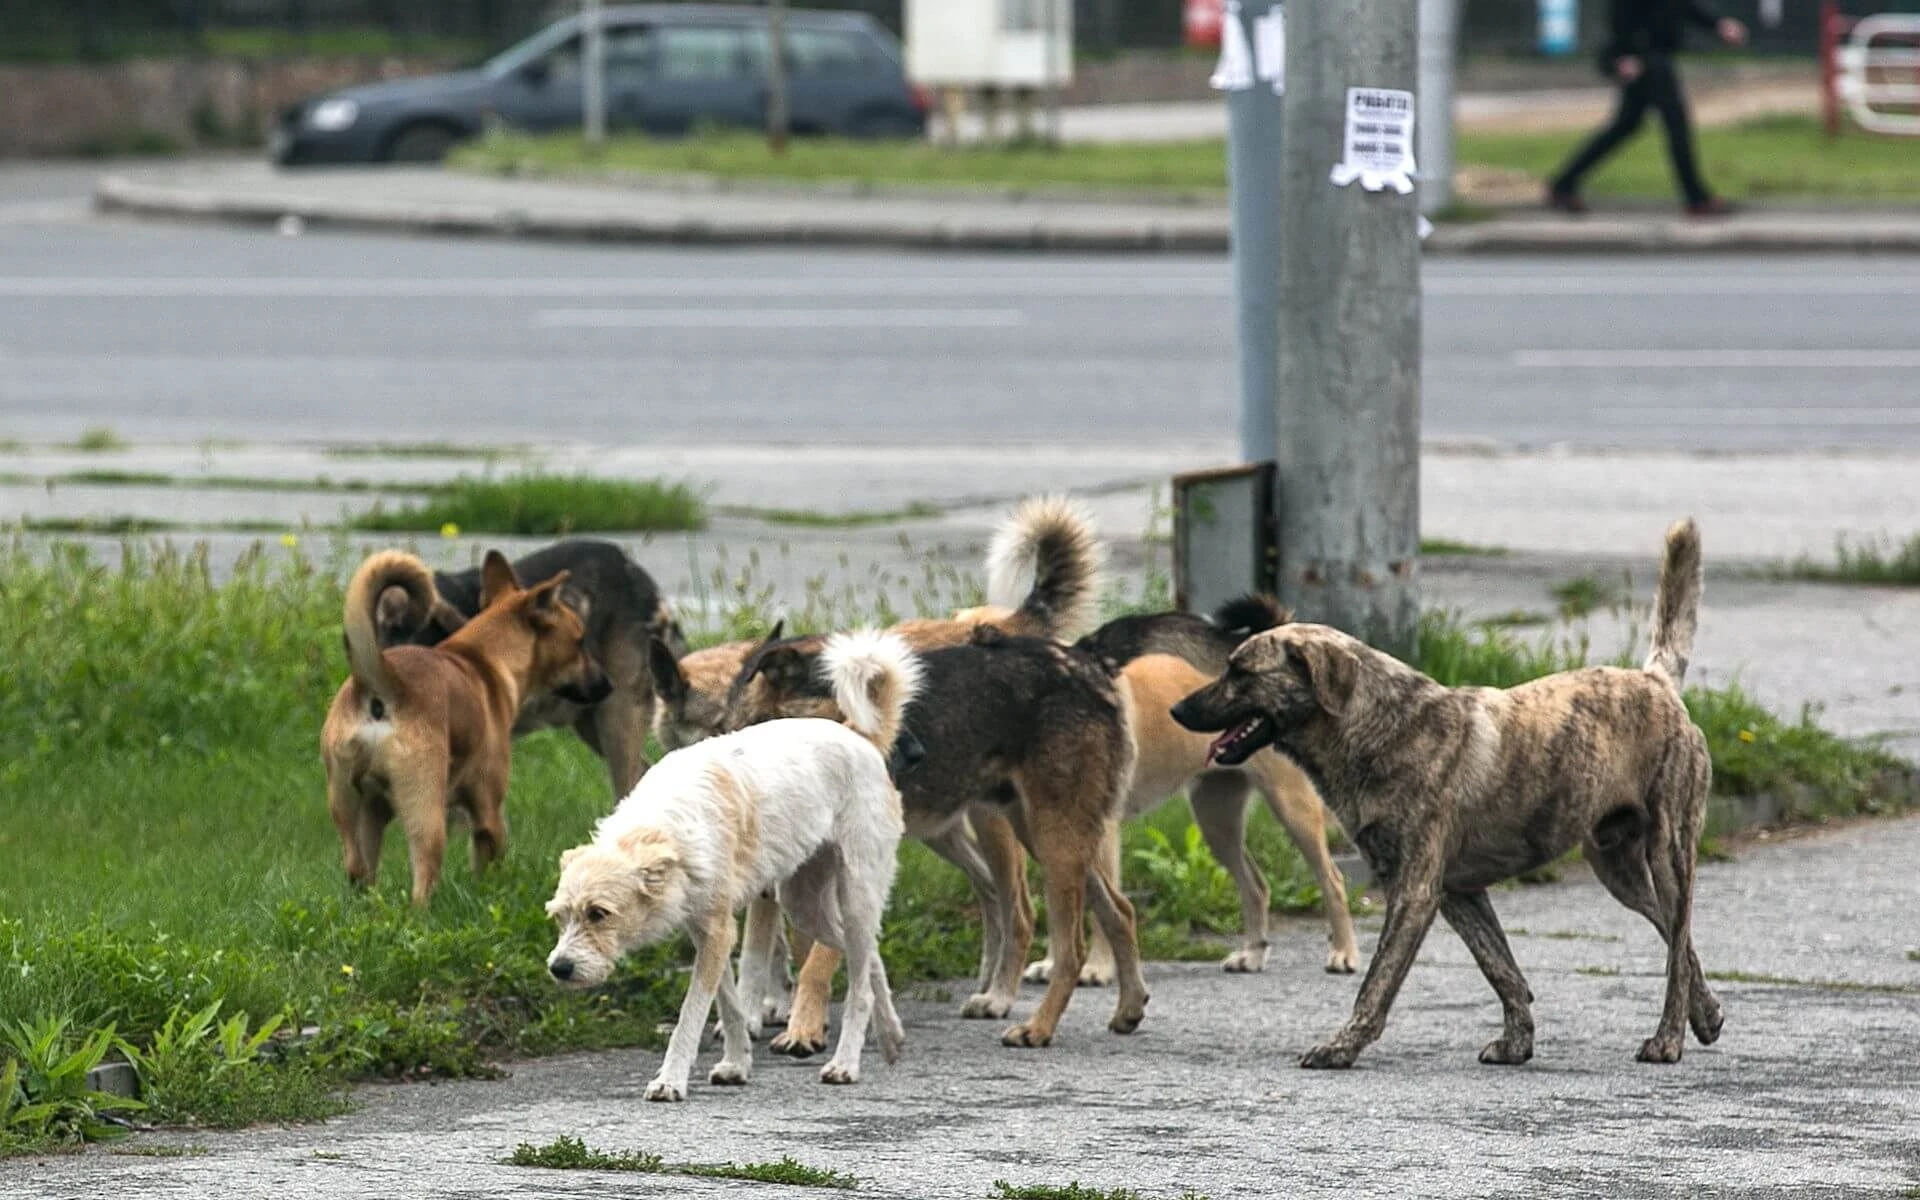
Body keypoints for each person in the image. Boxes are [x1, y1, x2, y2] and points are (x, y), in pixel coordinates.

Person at [1546, 0, 1749, 216]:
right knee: (1675, 124)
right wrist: (1625, 55)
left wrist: (1718, 24)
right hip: (1647, 59)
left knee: (1626, 125)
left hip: (1651, 56)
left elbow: (1681, 6)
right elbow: (1621, 13)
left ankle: (1563, 184)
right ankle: (1696, 199)